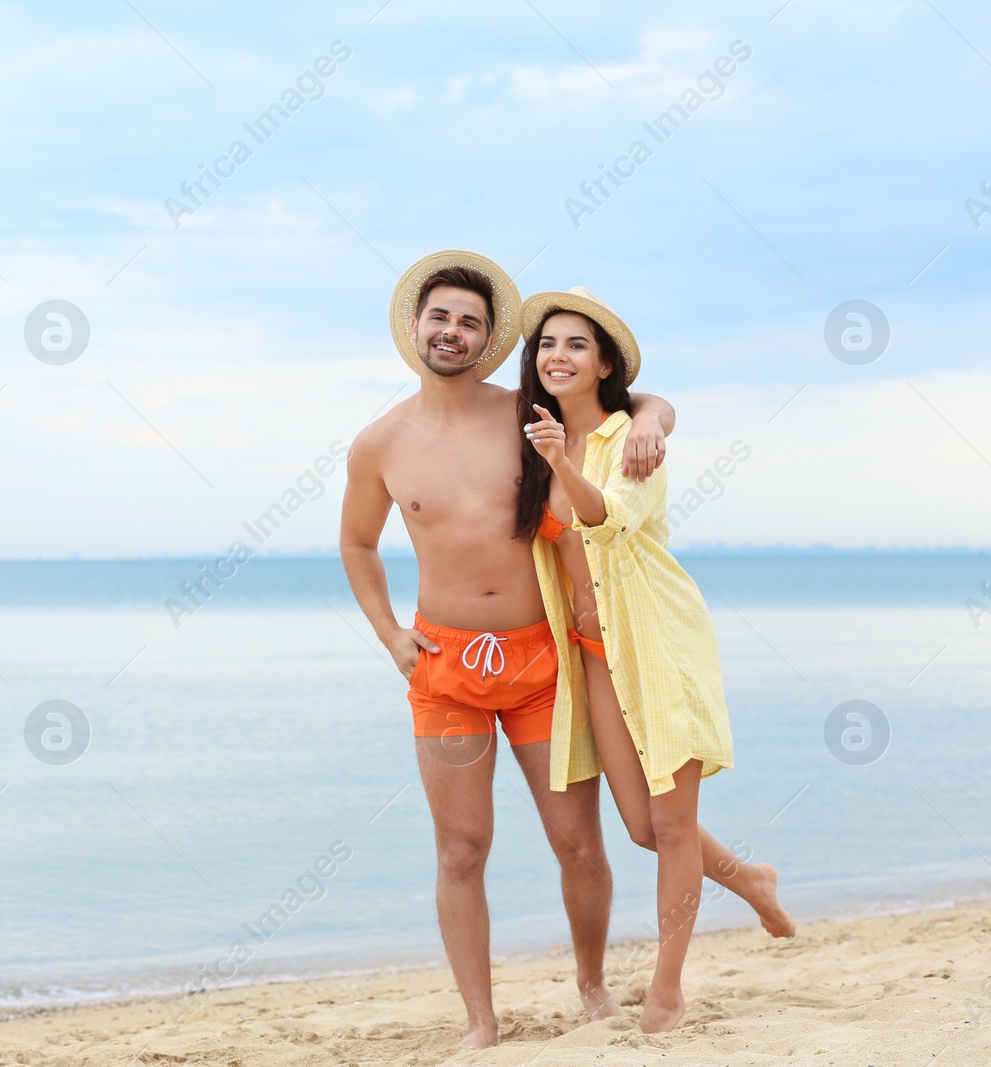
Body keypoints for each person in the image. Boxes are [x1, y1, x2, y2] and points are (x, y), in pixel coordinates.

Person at [339, 251, 675, 1048]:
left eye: (469, 321)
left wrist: (656, 422)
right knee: (462, 850)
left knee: (577, 841)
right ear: (415, 328)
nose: (451, 331)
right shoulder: (379, 441)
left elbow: (632, 399)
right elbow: (357, 544)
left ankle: (592, 985)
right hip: (445, 670)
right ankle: (480, 1021)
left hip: (541, 662)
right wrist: (392, 635)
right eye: (440, 317)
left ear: (488, 338)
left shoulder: (522, 411)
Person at [515, 287, 795, 1034]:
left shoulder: (627, 440)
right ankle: (752, 880)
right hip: (593, 656)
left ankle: (667, 987)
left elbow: (608, 522)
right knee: (643, 825)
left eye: (576, 344)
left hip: (658, 645)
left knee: (674, 827)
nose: (558, 356)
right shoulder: (538, 438)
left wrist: (637, 420)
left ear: (605, 361)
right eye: (547, 344)